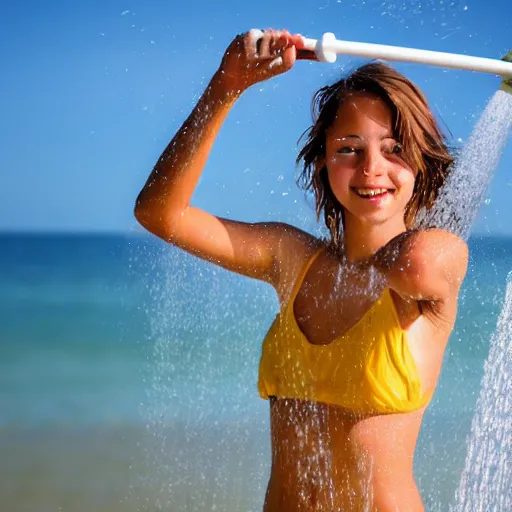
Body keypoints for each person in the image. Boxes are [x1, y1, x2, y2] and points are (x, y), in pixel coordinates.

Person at [134, 28, 468, 512]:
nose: (372, 167)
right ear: (323, 161)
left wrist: (368, 260)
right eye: (349, 148)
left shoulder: (439, 253)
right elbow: (159, 213)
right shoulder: (291, 258)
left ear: (422, 162)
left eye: (394, 148)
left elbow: (415, 265)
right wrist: (225, 88)